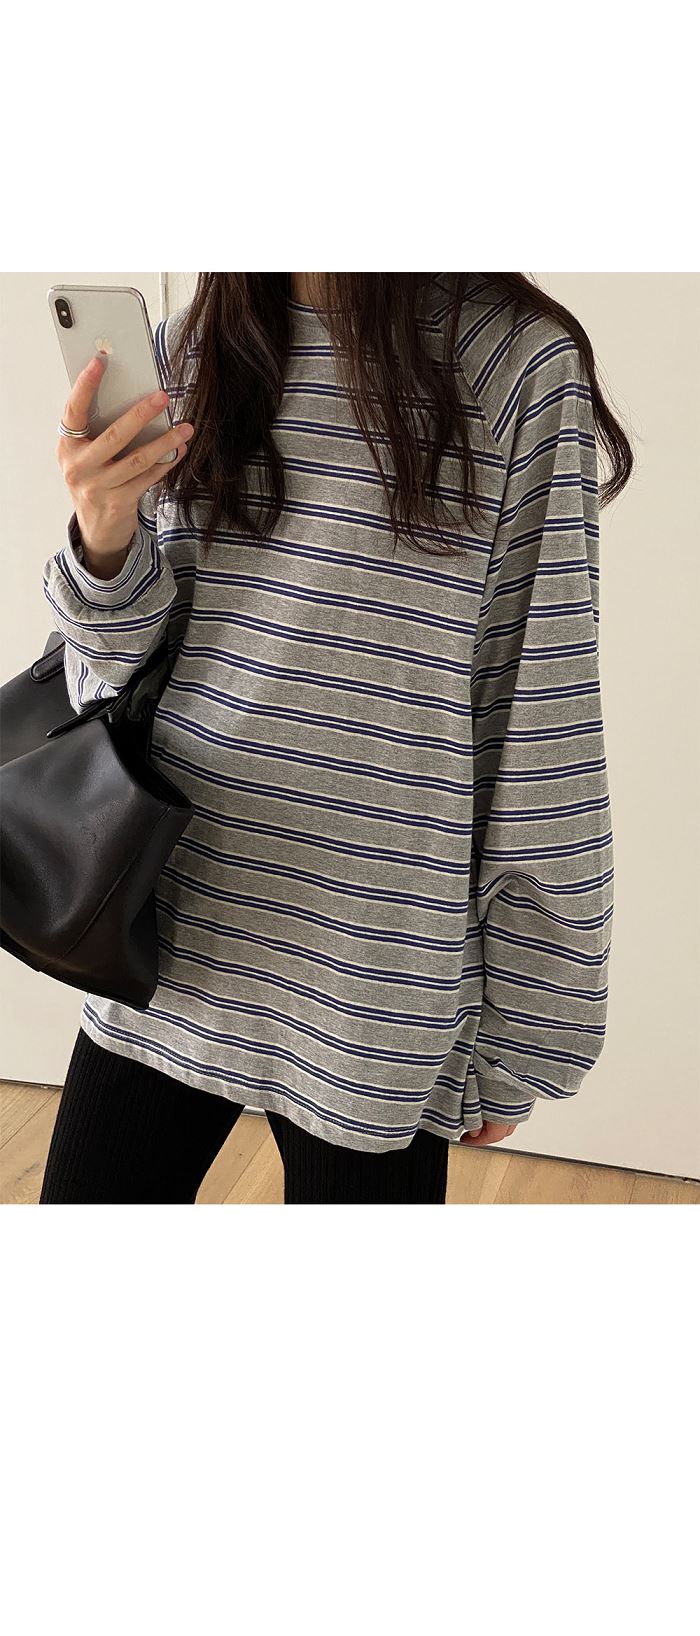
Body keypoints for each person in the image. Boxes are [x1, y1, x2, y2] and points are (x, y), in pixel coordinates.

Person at [39, 272, 632, 1205]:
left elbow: (541, 715)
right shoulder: (190, 349)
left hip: (373, 974)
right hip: (165, 930)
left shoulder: (516, 366)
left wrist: (528, 1026)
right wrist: (102, 536)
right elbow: (104, 685)